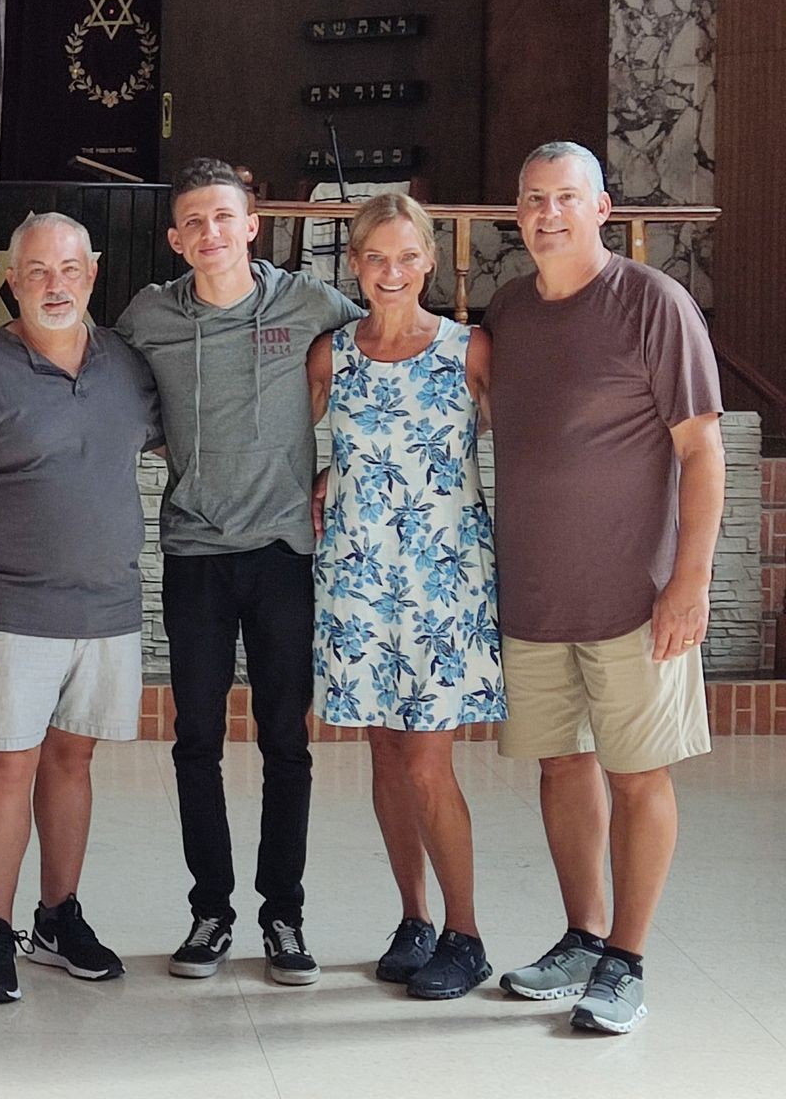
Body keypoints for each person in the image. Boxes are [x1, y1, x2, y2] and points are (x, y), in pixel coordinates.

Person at [484, 141, 722, 1035]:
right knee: (561, 764)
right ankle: (581, 936)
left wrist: (688, 581)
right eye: (533, 198)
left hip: (636, 593)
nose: (548, 213)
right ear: (518, 212)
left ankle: (627, 959)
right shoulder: (507, 310)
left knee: (636, 773)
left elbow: (703, 449)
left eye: (566, 198)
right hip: (538, 594)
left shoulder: (653, 304)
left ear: (602, 207)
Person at [115, 157, 362, 986]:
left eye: (227, 217)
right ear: (177, 237)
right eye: (195, 221)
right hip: (194, 555)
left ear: (251, 225)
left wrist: (345, 467)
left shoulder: (310, 302)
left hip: (286, 553)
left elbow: (383, 361)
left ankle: (283, 914)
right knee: (196, 740)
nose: (212, 233)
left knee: (287, 741)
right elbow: (109, 391)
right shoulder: (147, 315)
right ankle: (211, 910)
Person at [0, 212, 162, 1005]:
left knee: (73, 762)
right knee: (5, 766)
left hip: (106, 611)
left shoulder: (128, 367)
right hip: (2, 618)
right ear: (10, 281)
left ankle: (58, 917)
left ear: (91, 275)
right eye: (35, 272)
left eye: (67, 270)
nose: (53, 285)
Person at [307, 194, 502, 1000]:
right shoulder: (331, 356)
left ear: (428, 259)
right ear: (355, 263)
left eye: (407, 256)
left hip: (443, 580)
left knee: (427, 762)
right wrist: (325, 477)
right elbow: (288, 448)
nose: (392, 272)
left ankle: (467, 932)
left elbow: (523, 443)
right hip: (356, 574)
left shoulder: (469, 349)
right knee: (385, 752)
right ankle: (413, 917)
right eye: (375, 258)